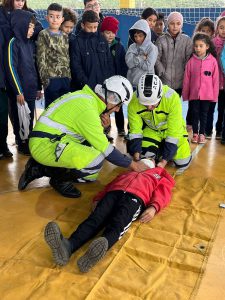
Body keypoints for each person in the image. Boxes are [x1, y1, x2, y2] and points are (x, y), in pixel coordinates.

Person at [18, 76, 149, 198]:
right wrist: (133, 165)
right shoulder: (88, 110)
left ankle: (40, 166)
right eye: (119, 105)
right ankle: (51, 175)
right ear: (112, 98)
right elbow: (107, 150)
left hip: (51, 139)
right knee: (95, 160)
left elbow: (90, 136)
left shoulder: (87, 99)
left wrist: (105, 127)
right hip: (44, 145)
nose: (118, 110)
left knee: (90, 175)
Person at [44, 158, 175, 273]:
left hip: (136, 198)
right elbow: (109, 186)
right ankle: (68, 246)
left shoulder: (157, 175)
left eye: (151, 160)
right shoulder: (126, 174)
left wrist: (154, 207)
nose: (149, 160)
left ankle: (98, 249)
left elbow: (163, 192)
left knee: (119, 223)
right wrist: (98, 198)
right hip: (113, 194)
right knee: (94, 219)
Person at [127, 73, 192, 169]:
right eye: (145, 104)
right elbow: (135, 130)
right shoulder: (134, 100)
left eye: (153, 104)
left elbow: (173, 133)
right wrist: (137, 155)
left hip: (173, 130)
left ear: (160, 96)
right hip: (152, 130)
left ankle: (184, 140)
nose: (149, 108)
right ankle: (160, 148)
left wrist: (164, 161)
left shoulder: (172, 98)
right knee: (145, 157)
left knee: (182, 163)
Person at [5, 10, 42, 155]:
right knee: (19, 117)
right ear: (21, 25)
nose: (32, 30)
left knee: (29, 117)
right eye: (30, 27)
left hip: (31, 89)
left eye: (33, 27)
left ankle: (28, 140)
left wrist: (38, 87)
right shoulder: (13, 43)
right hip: (20, 92)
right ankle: (21, 143)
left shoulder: (30, 44)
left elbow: (35, 67)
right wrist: (18, 91)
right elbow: (11, 67)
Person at [182, 33, 219, 144]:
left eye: (201, 46)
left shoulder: (213, 61)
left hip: (207, 95)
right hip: (194, 95)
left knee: (204, 115)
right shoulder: (191, 62)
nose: (198, 48)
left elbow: (215, 80)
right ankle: (195, 134)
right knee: (195, 114)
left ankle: (202, 134)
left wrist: (214, 96)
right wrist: (185, 94)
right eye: (196, 46)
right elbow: (186, 80)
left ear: (207, 46)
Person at [37, 3, 71, 108]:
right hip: (51, 80)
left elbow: (67, 56)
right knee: (51, 110)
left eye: (58, 17)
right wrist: (45, 81)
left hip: (65, 79)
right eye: (51, 16)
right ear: (47, 18)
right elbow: (40, 59)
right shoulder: (43, 34)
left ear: (62, 19)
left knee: (64, 110)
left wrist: (69, 78)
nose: (54, 20)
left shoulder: (65, 36)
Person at [70, 10, 114, 91]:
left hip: (104, 86)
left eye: (95, 27)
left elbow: (109, 62)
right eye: (89, 27)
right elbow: (76, 67)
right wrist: (87, 84)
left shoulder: (102, 39)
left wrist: (109, 81)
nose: (93, 30)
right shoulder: (76, 42)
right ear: (83, 25)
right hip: (86, 88)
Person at [186, 17, 215, 133]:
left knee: (205, 110)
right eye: (203, 30)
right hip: (194, 88)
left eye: (208, 31)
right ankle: (191, 125)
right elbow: (188, 73)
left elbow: (215, 72)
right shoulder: (194, 53)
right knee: (193, 107)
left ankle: (204, 131)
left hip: (207, 88)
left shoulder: (211, 53)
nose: (205, 33)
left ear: (212, 32)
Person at [100, 16, 128, 136]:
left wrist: (122, 80)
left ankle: (121, 128)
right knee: (104, 108)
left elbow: (123, 65)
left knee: (118, 107)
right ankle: (106, 129)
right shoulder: (99, 45)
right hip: (104, 84)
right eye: (108, 32)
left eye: (113, 32)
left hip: (116, 84)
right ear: (102, 32)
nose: (111, 35)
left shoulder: (119, 47)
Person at [155, 11, 192, 96]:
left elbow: (189, 58)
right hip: (164, 81)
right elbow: (156, 58)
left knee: (175, 106)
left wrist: (185, 72)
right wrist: (161, 71)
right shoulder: (161, 40)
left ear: (181, 25)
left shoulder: (187, 40)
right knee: (164, 105)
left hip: (180, 82)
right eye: (172, 23)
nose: (175, 26)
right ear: (168, 24)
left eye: (178, 23)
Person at [205, 16, 225, 140]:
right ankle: (207, 130)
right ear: (217, 28)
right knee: (210, 107)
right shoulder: (212, 42)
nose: (224, 30)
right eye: (221, 27)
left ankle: (219, 130)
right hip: (213, 81)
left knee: (222, 108)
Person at [125, 19, 158, 88]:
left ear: (146, 35)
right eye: (135, 36)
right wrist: (141, 57)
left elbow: (148, 67)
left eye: (140, 36)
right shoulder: (132, 46)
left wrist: (135, 60)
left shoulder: (152, 48)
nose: (137, 39)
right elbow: (129, 63)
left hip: (147, 85)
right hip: (132, 83)